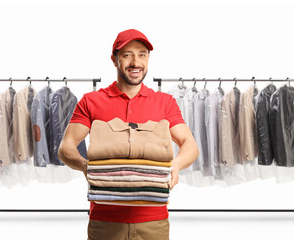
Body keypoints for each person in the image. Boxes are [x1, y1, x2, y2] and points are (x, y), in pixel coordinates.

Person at [58, 29, 199, 240]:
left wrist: (176, 166)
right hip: (104, 221)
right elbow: (65, 147)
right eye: (127, 55)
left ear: (148, 59)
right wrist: (87, 167)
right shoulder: (91, 101)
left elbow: (190, 144)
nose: (136, 62)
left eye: (142, 54)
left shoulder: (165, 103)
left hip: (154, 221)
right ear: (114, 60)